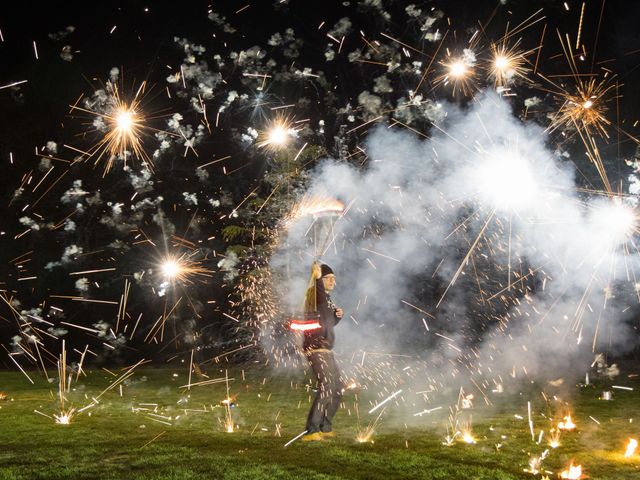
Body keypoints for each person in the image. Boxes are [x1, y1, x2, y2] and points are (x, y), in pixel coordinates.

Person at [301, 261, 344, 442]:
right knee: (327, 386)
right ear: (320, 279)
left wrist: (336, 317)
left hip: (326, 349)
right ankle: (311, 430)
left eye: (334, 278)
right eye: (328, 278)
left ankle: (325, 427)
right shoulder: (314, 294)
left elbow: (326, 324)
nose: (333, 281)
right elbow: (316, 292)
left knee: (337, 388)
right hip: (316, 348)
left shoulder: (326, 299)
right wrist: (317, 278)